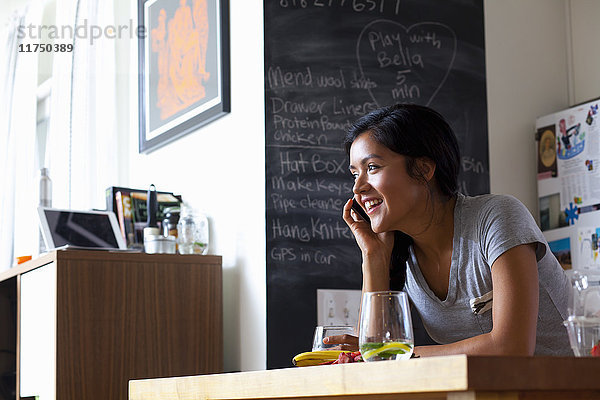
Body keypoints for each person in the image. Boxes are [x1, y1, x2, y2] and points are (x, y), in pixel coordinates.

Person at [325, 103, 572, 356]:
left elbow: (512, 348)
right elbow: (371, 356)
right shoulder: (399, 253)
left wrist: (399, 354)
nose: (358, 188)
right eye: (355, 174)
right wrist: (374, 257)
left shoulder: (497, 217)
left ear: (423, 169)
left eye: (372, 168)